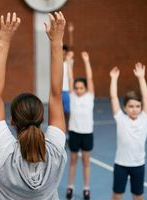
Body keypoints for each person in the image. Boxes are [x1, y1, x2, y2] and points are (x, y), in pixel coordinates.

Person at [0, 12, 67, 199]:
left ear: (12, 121)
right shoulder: (55, 153)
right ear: (42, 119)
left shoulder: (5, 155)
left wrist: (4, 42)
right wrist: (56, 43)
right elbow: (56, 95)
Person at [110, 63, 147, 200]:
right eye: (131, 106)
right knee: (117, 194)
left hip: (138, 165)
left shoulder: (144, 118)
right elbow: (114, 98)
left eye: (137, 106)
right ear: (125, 108)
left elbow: (146, 97)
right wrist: (114, 79)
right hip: (121, 164)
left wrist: (141, 78)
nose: (134, 109)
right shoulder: (121, 118)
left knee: (138, 195)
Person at [66, 51, 95, 200]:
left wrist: (86, 60)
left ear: (85, 89)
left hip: (87, 133)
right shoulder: (72, 96)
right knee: (73, 160)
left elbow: (89, 78)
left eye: (81, 88)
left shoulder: (90, 96)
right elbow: (70, 78)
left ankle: (86, 188)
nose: (78, 90)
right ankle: (70, 186)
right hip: (74, 132)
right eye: (76, 88)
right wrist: (70, 63)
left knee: (86, 161)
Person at [62, 22, 74, 130]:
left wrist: (70, 32)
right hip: (58, 91)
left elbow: (71, 48)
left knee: (68, 112)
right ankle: (62, 131)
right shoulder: (56, 63)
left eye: (64, 53)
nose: (63, 54)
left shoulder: (69, 62)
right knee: (59, 113)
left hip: (66, 91)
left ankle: (69, 130)